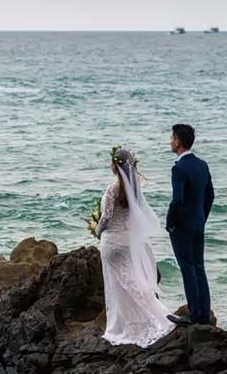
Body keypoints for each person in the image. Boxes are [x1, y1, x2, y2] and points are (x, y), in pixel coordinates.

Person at [95, 147, 175, 347]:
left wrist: (97, 230)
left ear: (115, 165)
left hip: (111, 242)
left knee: (117, 287)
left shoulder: (112, 189)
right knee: (133, 281)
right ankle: (151, 317)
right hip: (127, 240)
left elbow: (106, 217)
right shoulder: (135, 188)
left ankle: (124, 326)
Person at [165, 124, 214, 325]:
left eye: (172, 138)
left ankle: (193, 314)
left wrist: (170, 223)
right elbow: (210, 196)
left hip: (182, 226)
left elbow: (177, 200)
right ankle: (204, 315)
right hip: (199, 223)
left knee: (187, 268)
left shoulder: (179, 168)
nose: (170, 141)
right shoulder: (202, 165)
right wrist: (202, 218)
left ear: (178, 142)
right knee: (199, 267)